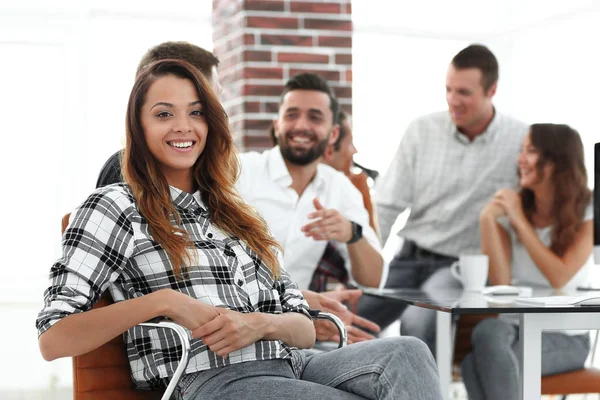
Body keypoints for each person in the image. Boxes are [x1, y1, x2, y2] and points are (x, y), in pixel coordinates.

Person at [36, 59, 443, 400]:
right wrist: (165, 301)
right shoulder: (115, 205)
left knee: (409, 353)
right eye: (164, 114)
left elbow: (302, 327)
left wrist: (261, 324)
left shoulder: (237, 212)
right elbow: (54, 338)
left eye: (196, 112)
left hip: (292, 363)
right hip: (212, 380)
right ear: (138, 127)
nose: (183, 126)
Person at [94, 42, 376, 345]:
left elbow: (211, 275)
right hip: (194, 356)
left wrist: (294, 302)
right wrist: (283, 316)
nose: (218, 113)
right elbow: (166, 287)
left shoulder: (198, 179)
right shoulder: (127, 180)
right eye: (208, 102)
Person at [357, 44, 529, 353]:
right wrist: (362, 266)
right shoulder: (421, 130)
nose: (453, 100)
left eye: (464, 92)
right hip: (407, 259)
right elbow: (386, 205)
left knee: (418, 324)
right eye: (448, 89)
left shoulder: (520, 141)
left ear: (492, 90)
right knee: (345, 318)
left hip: (459, 269)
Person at [462, 124, 593, 400]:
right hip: (514, 327)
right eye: (521, 150)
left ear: (557, 161)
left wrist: (518, 219)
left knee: (475, 365)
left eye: (530, 151)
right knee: (487, 331)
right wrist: (487, 219)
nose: (520, 159)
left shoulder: (588, 209)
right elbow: (501, 285)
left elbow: (560, 277)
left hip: (565, 337)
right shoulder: (515, 208)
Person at [96, 41, 221, 189]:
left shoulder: (212, 168)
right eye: (164, 114)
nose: (219, 109)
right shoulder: (122, 172)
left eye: (196, 112)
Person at [310, 111, 381, 293]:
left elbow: (373, 268)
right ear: (329, 151)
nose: (354, 151)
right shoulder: (324, 203)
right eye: (349, 143)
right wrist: (364, 195)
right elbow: (371, 282)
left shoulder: (343, 193)